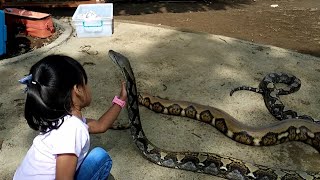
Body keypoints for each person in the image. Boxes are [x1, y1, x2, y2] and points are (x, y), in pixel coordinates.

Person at [13, 54, 127, 180]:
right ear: (77, 89)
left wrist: (121, 99)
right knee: (99, 158)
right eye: (85, 83)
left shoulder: (60, 121)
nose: (88, 87)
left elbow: (101, 125)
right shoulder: (73, 130)